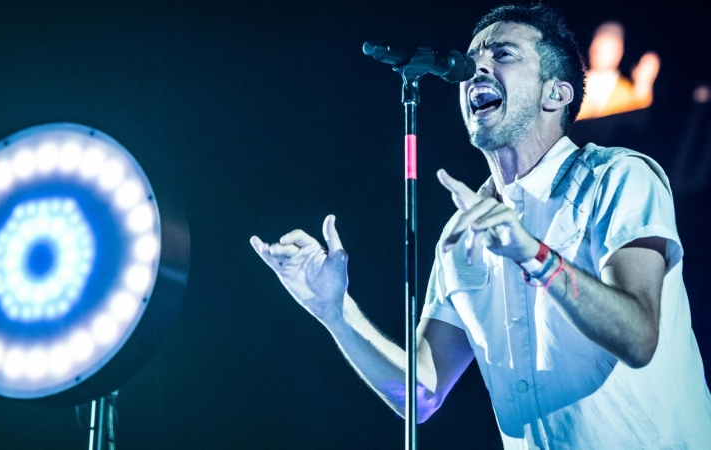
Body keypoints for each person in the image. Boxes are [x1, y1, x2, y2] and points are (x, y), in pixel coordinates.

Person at [250, 4, 711, 448]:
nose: (475, 70)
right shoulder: (462, 233)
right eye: (471, 61)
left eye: (502, 54)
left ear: (556, 92)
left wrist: (532, 254)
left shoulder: (618, 178)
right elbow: (420, 394)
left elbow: (638, 336)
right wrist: (336, 313)